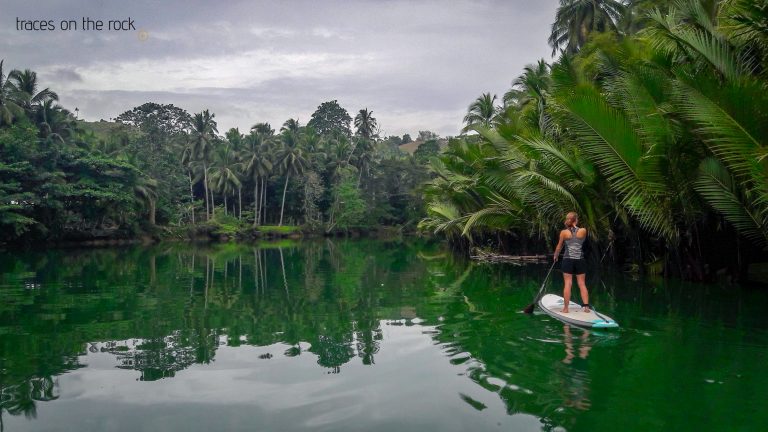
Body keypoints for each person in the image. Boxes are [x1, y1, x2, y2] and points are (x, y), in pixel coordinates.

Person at [553, 212, 589, 313]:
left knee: (568, 283)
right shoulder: (583, 231)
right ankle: (586, 307)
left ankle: (565, 308)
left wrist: (555, 256)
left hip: (567, 260)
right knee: (582, 283)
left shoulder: (564, 232)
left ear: (568, 220)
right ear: (576, 220)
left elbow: (559, 246)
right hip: (580, 260)